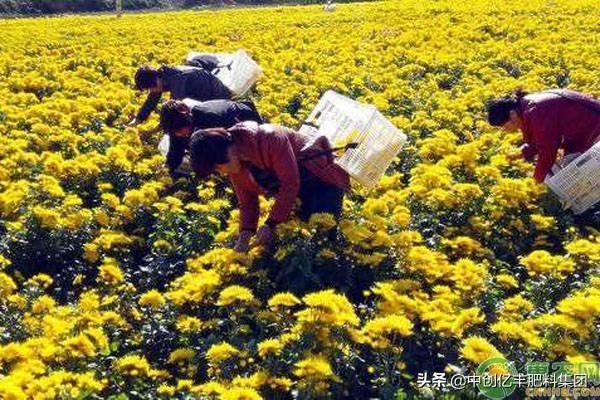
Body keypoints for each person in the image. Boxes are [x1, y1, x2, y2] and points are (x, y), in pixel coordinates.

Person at [188, 121, 350, 252]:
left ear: (229, 151)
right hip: (298, 193)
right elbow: (248, 202)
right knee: (301, 242)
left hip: (322, 181)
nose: (221, 172)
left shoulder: (270, 138)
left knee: (323, 240)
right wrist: (245, 235)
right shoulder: (236, 165)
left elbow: (289, 184)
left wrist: (270, 224)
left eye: (218, 166)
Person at [487, 89, 600, 183]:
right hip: (583, 134)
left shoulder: (536, 111)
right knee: (572, 169)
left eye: (502, 125)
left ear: (512, 114)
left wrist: (535, 183)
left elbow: (547, 151)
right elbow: (537, 142)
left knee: (580, 173)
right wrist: (517, 155)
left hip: (595, 131)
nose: (504, 129)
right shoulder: (525, 109)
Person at [159, 99, 263, 178]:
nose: (178, 135)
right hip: (225, 127)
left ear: (186, 120)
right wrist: (167, 169)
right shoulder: (177, 125)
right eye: (174, 133)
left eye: (179, 131)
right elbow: (175, 151)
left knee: (250, 164)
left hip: (242, 119)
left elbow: (228, 149)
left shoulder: (210, 118)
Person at [129, 64, 232, 126]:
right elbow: (151, 100)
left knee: (184, 121)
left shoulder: (178, 81)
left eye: (150, 87)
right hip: (202, 94)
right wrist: (138, 119)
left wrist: (152, 132)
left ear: (155, 79)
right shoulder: (162, 76)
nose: (151, 90)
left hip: (218, 97)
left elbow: (175, 112)